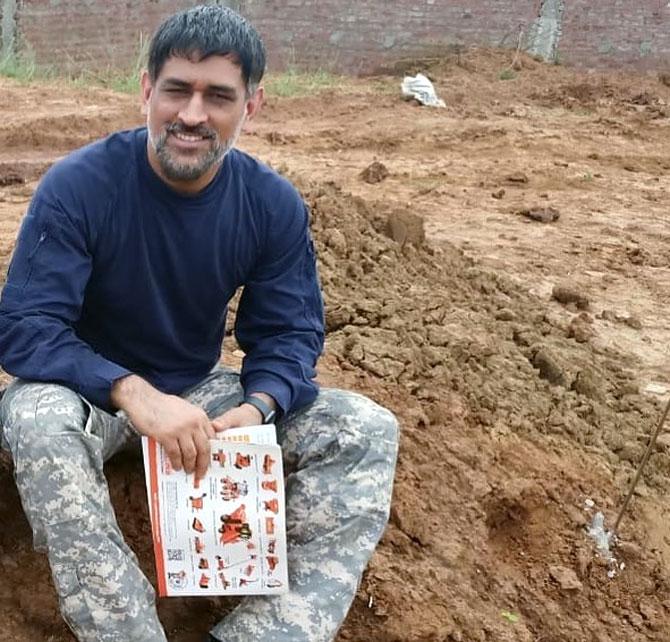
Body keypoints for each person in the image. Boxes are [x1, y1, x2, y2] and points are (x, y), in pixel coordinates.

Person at [0, 5, 398, 642]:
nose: (192, 115)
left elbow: (289, 334)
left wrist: (258, 407)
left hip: (201, 394)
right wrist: (134, 393)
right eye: (177, 90)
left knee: (364, 428)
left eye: (218, 96)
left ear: (252, 105)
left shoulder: (270, 204)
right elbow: (25, 327)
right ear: (146, 90)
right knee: (34, 416)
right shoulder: (78, 187)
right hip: (88, 395)